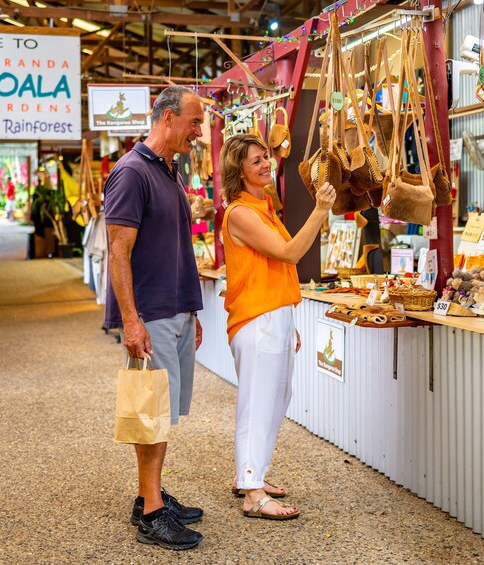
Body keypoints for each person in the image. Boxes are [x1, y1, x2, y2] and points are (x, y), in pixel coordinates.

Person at [103, 85, 206, 552]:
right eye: (194, 122)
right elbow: (117, 252)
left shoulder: (168, 170)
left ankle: (151, 493)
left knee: (163, 413)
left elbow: (174, 246)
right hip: (151, 314)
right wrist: (131, 320)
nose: (199, 132)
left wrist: (192, 309)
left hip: (176, 309)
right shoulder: (130, 173)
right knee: (151, 415)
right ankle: (150, 513)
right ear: (167, 118)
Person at [219, 134, 336, 520]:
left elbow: (275, 268)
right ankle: (252, 491)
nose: (266, 163)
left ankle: (253, 475)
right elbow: (288, 253)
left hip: (274, 317)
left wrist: (288, 320)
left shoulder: (262, 207)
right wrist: (320, 210)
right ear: (239, 171)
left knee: (276, 399)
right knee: (257, 403)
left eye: (265, 157)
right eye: (256, 161)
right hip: (258, 319)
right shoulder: (240, 213)